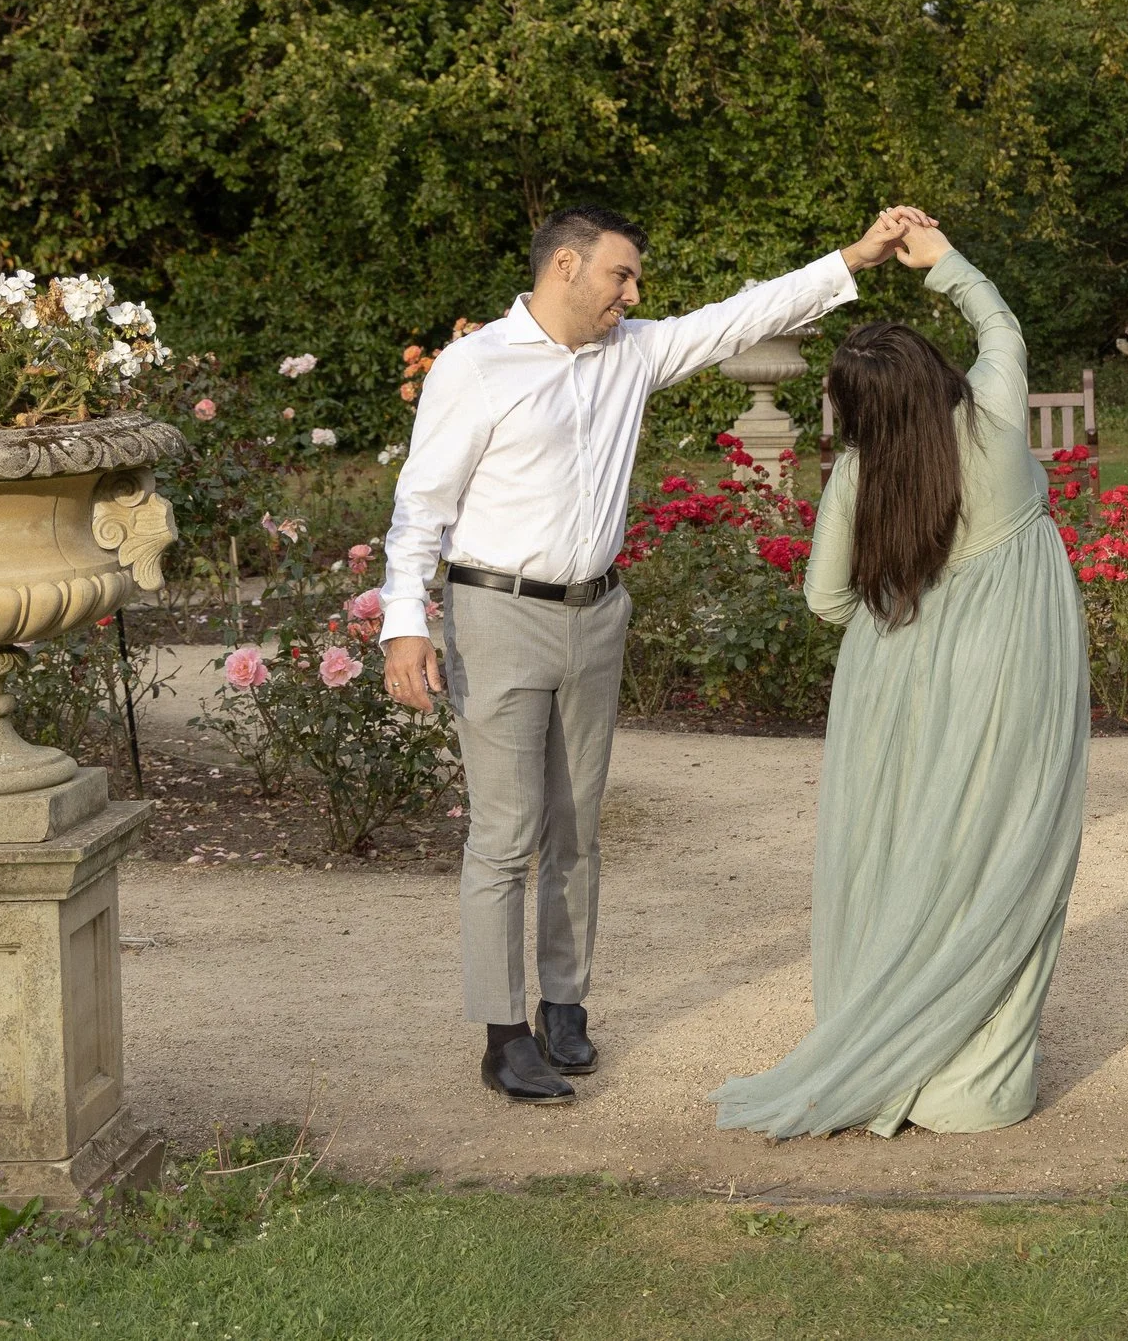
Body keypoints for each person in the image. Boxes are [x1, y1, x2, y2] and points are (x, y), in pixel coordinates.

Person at [380, 202, 933, 1103]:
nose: (632, 293)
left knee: (577, 830)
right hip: (495, 613)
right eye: (620, 275)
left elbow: (740, 318)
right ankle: (502, 1033)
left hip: (595, 616)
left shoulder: (630, 351)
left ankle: (564, 1006)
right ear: (564, 266)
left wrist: (856, 257)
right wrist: (405, 621)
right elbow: (421, 504)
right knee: (507, 834)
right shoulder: (475, 370)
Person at [712, 219, 1089, 1138]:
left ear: (858, 410)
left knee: (903, 852)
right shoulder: (996, 416)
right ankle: (975, 1084)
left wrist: (901, 634)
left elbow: (825, 599)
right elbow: (1003, 329)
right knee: (1007, 852)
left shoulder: (859, 475)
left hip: (898, 679)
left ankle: (889, 1042)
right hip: (1018, 670)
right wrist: (945, 262)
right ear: (934, 373)